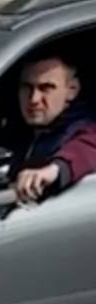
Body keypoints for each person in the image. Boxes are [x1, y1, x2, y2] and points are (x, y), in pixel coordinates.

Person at [11, 49, 96, 205]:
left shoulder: (83, 128)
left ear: (72, 90)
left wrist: (53, 170)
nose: (34, 99)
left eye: (46, 88)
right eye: (27, 87)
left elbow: (89, 147)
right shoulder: (11, 128)